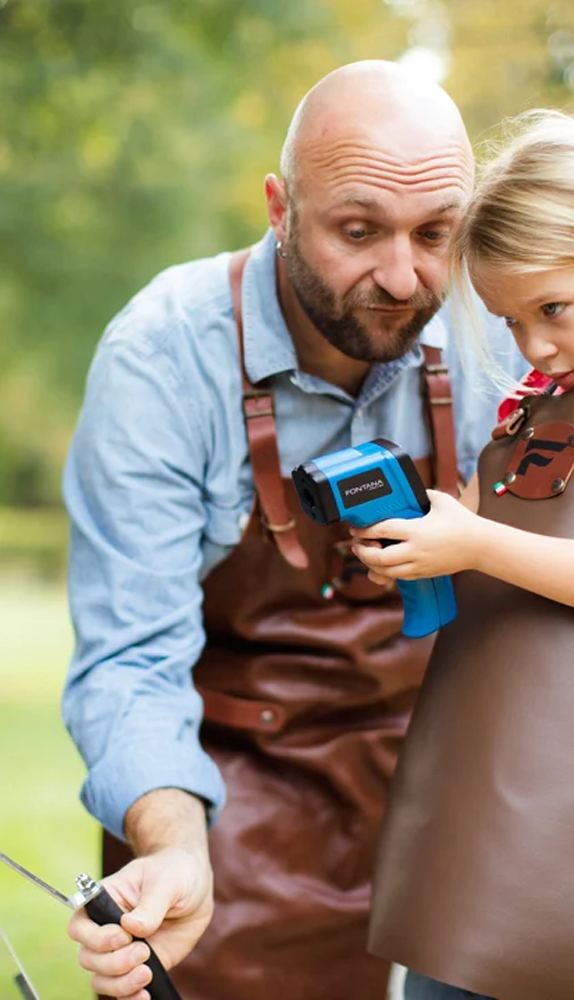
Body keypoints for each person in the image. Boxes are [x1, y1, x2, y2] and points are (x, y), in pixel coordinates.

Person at [60, 59, 527, 1000]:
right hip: (237, 787)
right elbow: (132, 658)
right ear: (280, 209)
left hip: (462, 770)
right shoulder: (162, 356)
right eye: (358, 231)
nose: (403, 277)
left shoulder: (508, 325)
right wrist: (173, 844)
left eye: (436, 233)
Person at [357, 109, 574, 1000]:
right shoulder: (537, 403)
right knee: (453, 966)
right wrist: (432, 543)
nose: (535, 346)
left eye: (554, 309)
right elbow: (495, 537)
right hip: (486, 775)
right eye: (510, 322)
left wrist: (477, 540)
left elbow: (499, 544)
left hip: (555, 797)